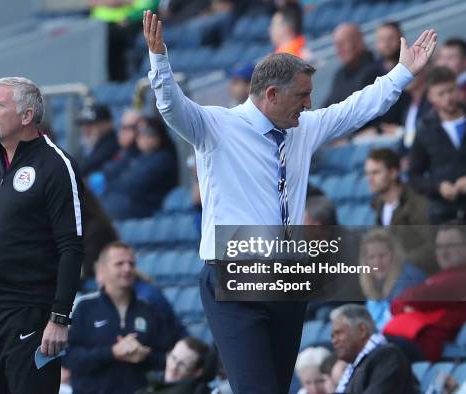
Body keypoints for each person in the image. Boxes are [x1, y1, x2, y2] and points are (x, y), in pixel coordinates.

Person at [143, 9, 436, 394]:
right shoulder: (216, 127)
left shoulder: (303, 128)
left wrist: (402, 73)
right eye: (302, 95)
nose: (308, 104)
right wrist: (159, 59)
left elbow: (355, 109)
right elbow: (171, 106)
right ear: (271, 94)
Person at [0, 77, 84, 394]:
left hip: (27, 312)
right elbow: (3, 226)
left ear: (26, 116)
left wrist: (60, 318)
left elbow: (72, 246)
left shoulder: (56, 164)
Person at [64, 241, 173, 394]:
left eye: (131, 263)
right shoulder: (85, 307)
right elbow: (68, 358)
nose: (127, 268)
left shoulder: (148, 310)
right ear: (102, 270)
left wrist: (144, 356)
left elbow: (167, 359)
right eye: (119, 263)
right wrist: (112, 352)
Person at [383, 222, 466, 361]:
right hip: (405, 338)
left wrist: (407, 304)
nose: (443, 252)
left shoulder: (461, 277)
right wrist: (405, 305)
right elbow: (400, 303)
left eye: (450, 246)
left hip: (420, 346)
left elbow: (420, 296)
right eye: (439, 247)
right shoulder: (439, 276)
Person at [409, 66, 466, 224]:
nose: (448, 97)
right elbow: (414, 176)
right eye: (441, 94)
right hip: (442, 213)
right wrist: (438, 187)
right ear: (430, 97)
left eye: (451, 90)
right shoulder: (424, 129)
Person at [100, 116, 178, 219]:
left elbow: (133, 184)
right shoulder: (134, 155)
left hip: (145, 209)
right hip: (124, 203)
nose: (143, 136)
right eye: (139, 132)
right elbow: (109, 173)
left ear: (160, 134)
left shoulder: (163, 159)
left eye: (149, 132)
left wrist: (119, 180)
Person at [330, 304, 418, 394]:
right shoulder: (352, 369)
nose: (334, 341)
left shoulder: (387, 356)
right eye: (332, 336)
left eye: (339, 333)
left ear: (362, 330)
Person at [358, 228, 427, 331]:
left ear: (394, 255)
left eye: (382, 255)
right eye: (371, 257)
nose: (377, 262)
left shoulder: (408, 279)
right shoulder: (377, 284)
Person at [136, 337, 212, 394]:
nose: (174, 367)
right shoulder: (149, 385)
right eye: (173, 357)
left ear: (197, 372)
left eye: (182, 364)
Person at [78, 103, 120, 176]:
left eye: (90, 125)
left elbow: (87, 167)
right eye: (83, 125)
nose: (86, 130)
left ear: (107, 124)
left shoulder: (111, 145)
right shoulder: (94, 145)